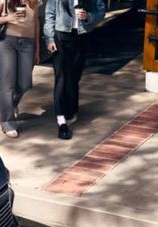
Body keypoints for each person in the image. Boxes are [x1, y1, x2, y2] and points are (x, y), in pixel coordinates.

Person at [43, 0, 105, 140]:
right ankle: (61, 122)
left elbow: (100, 11)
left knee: (74, 76)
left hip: (82, 36)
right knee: (61, 77)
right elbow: (50, 14)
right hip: (61, 36)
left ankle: (70, 108)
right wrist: (49, 39)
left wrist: (88, 16)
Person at [0, 0, 41, 138]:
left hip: (28, 43)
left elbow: (36, 22)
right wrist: (8, 18)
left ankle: (10, 104)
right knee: (7, 85)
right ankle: (8, 122)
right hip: (7, 42)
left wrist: (37, 49)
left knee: (25, 83)